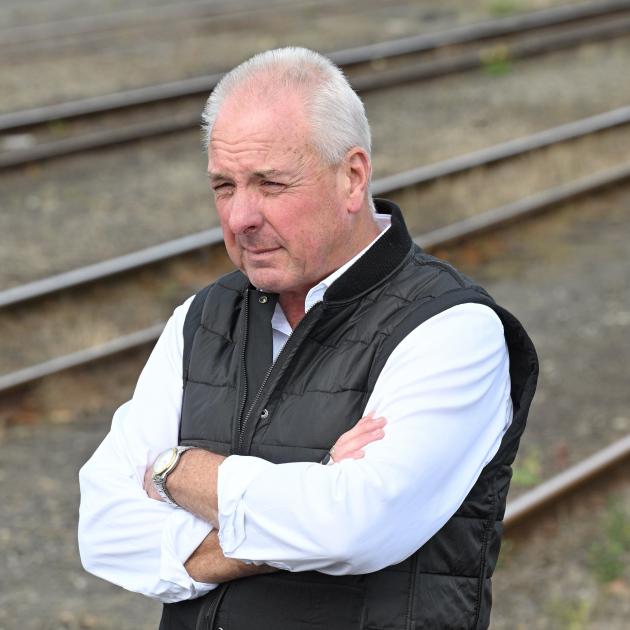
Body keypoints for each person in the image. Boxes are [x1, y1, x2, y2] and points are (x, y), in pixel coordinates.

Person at [78, 47, 538, 630]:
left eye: (269, 183)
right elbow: (102, 529)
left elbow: (354, 528)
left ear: (352, 178)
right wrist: (313, 490)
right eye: (224, 186)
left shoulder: (452, 329)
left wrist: (173, 472)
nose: (240, 216)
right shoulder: (202, 319)